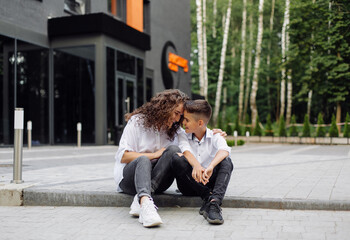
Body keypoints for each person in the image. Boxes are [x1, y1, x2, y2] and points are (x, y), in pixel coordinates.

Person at [114, 89, 188, 227]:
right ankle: (146, 206)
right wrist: (154, 155)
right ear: (165, 107)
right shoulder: (137, 122)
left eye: (181, 116)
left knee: (173, 150)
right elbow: (123, 156)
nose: (177, 119)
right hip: (130, 180)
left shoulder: (175, 128)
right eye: (176, 113)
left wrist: (213, 135)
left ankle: (142, 198)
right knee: (143, 159)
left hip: (158, 182)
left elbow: (195, 139)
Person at [171, 99, 234, 224]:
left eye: (187, 120)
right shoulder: (183, 135)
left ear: (200, 123)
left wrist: (211, 166)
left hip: (208, 180)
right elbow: (186, 151)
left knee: (227, 161)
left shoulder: (215, 135)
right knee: (177, 159)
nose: (183, 122)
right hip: (189, 184)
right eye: (183, 118)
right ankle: (207, 196)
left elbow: (224, 150)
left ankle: (214, 203)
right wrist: (197, 166)